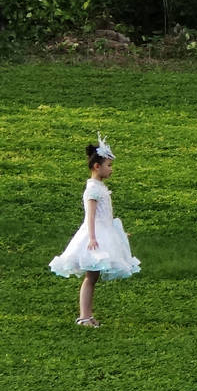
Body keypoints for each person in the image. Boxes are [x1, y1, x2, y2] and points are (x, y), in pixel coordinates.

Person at [49, 134, 141, 327]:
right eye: (108, 165)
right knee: (91, 277)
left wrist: (118, 235)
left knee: (94, 276)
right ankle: (84, 316)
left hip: (104, 231)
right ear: (97, 166)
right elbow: (90, 216)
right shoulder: (92, 189)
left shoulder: (100, 187)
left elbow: (105, 216)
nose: (111, 170)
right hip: (95, 235)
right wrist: (91, 238)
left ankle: (88, 315)